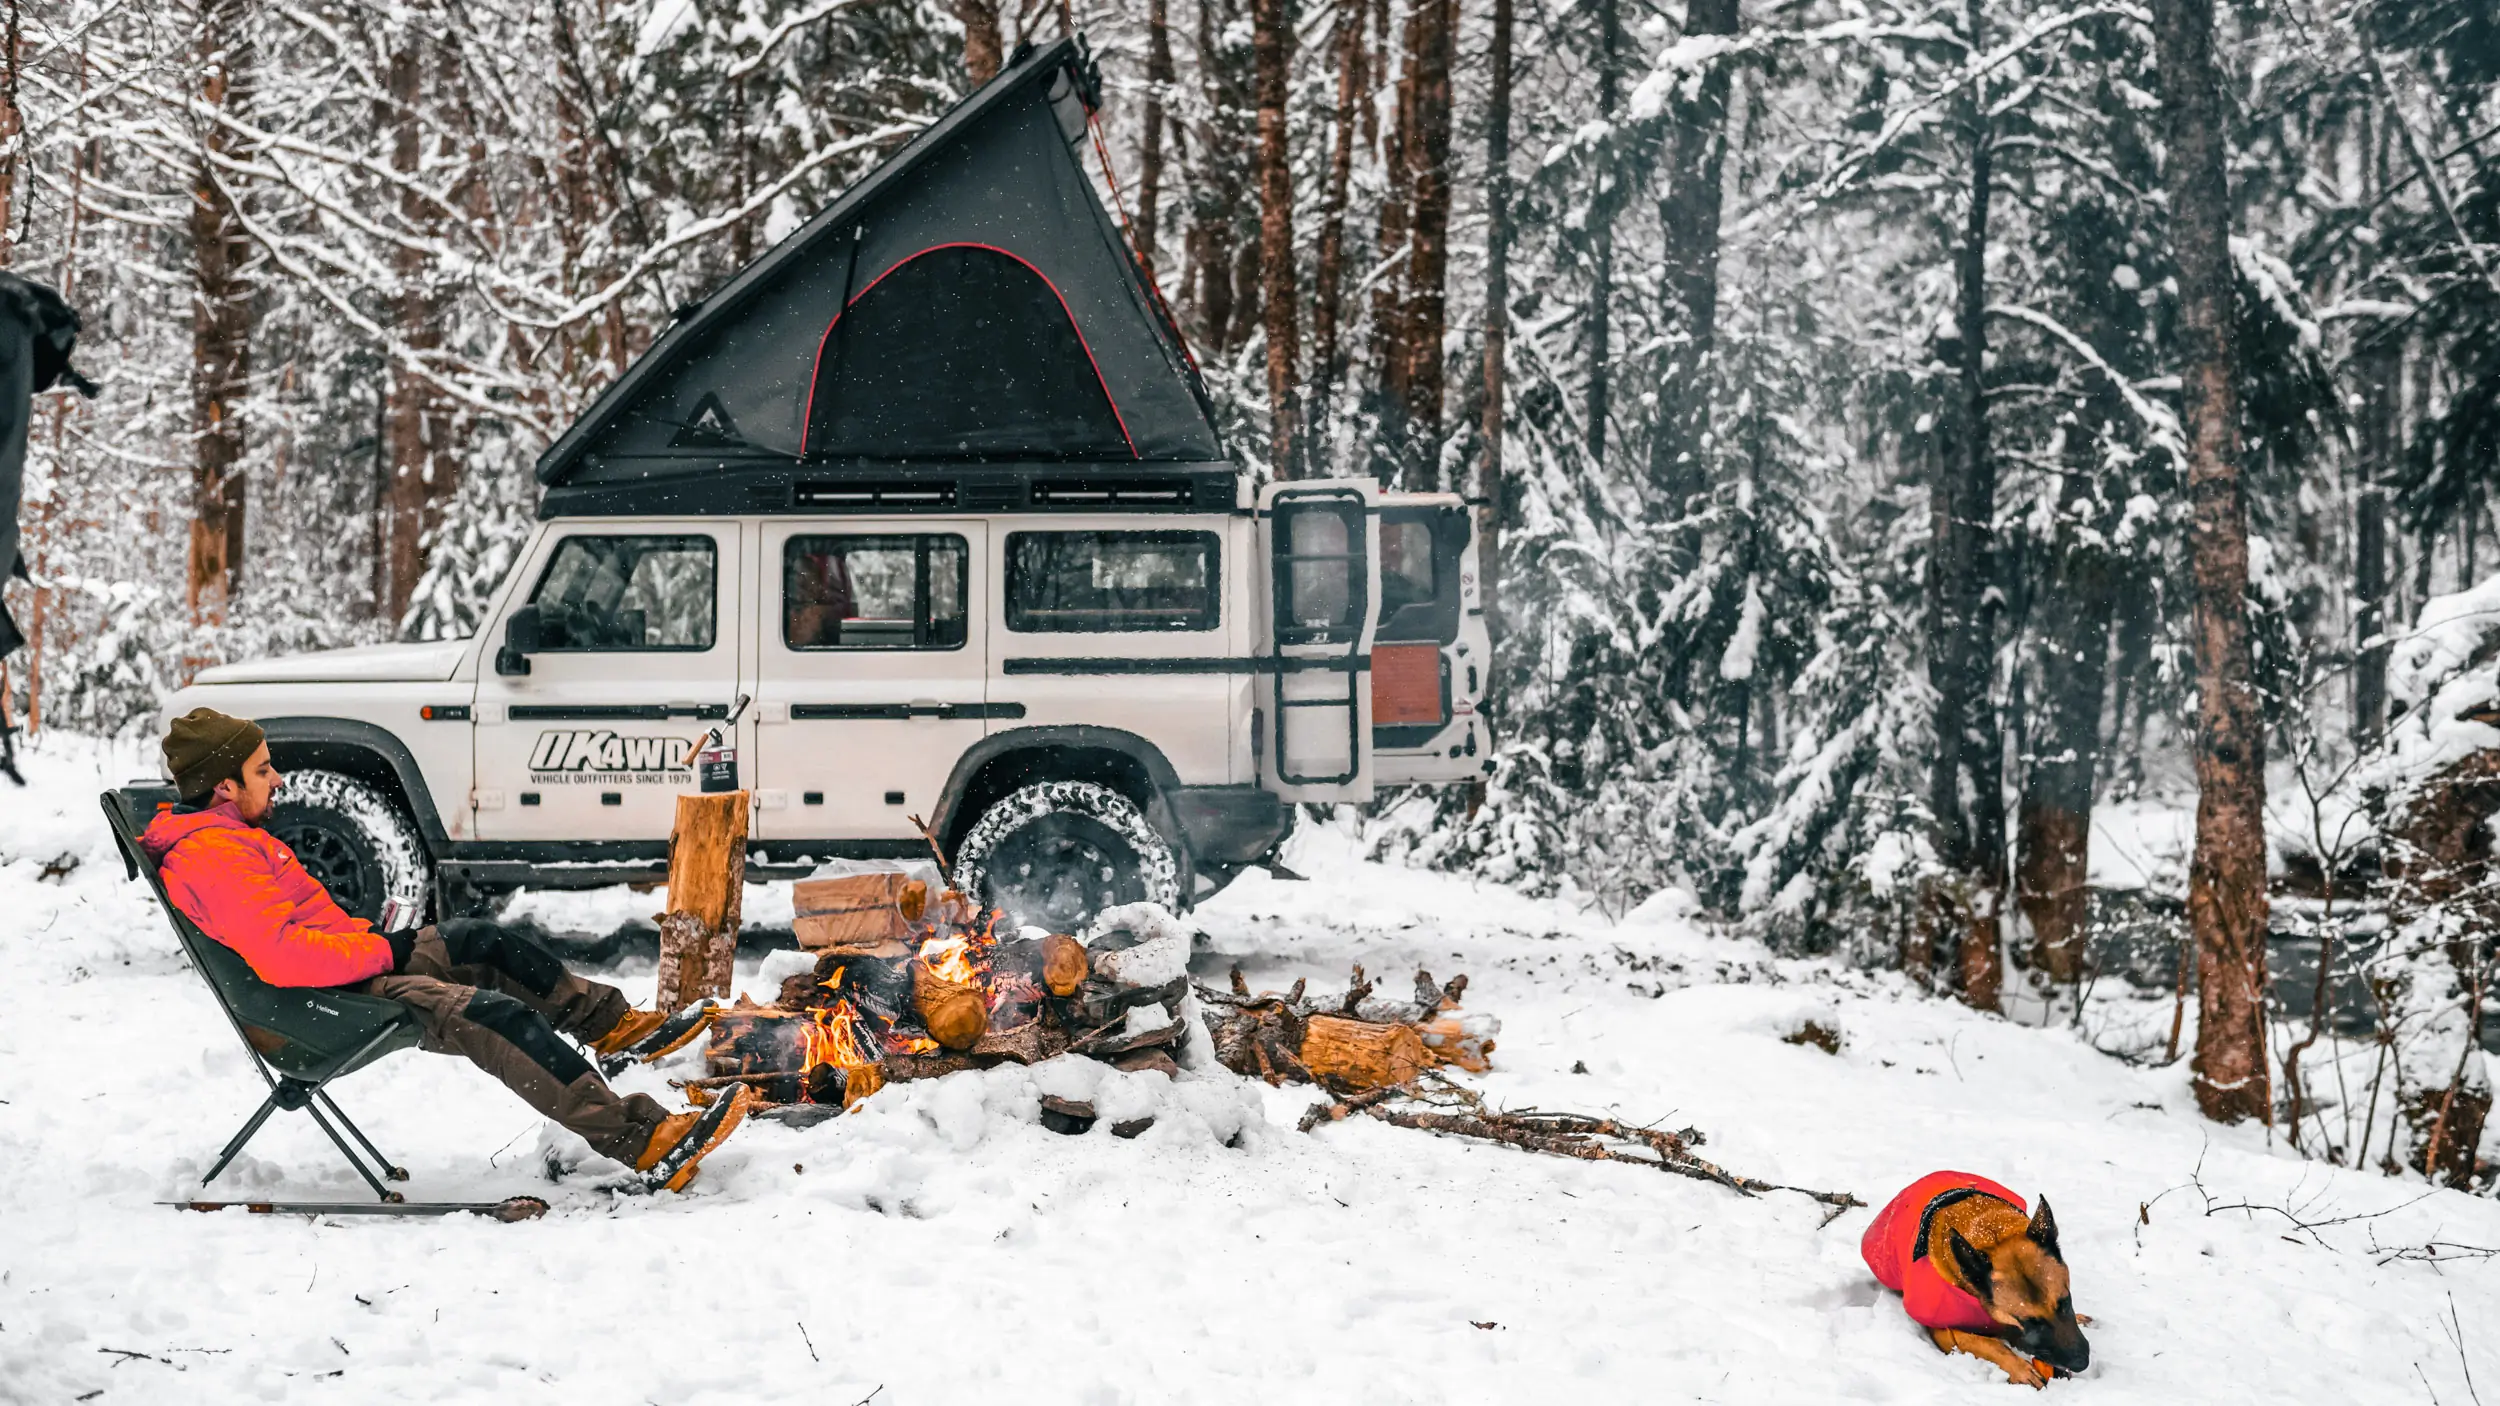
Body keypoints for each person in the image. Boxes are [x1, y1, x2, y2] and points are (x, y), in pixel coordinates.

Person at [139, 707, 752, 1191]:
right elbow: (283, 957)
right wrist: (380, 955)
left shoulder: (229, 838)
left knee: (475, 939)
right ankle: (641, 1140)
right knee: (492, 1015)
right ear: (224, 785)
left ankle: (617, 1027)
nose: (277, 778)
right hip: (319, 1005)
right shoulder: (215, 856)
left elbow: (303, 934)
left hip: (340, 970)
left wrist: (377, 943)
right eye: (262, 769)